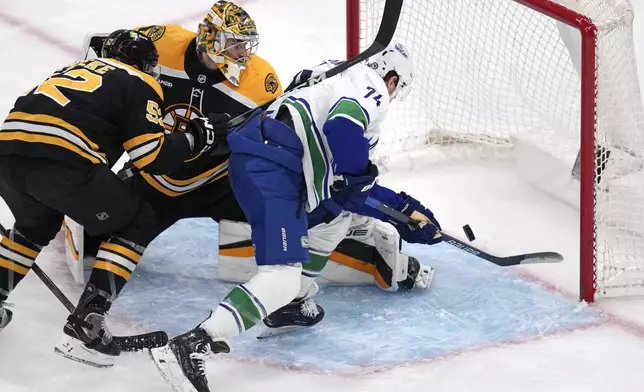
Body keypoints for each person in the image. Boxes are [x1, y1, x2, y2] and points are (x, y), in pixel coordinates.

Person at [150, 42, 442, 392]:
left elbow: (344, 191)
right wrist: (392, 203)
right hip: (272, 168)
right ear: (391, 78)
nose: (390, 98)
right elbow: (343, 130)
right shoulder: (370, 84)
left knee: (337, 217)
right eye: (395, 90)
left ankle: (288, 306)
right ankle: (192, 344)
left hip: (265, 160)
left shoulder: (331, 75)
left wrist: (404, 210)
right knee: (281, 276)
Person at [0, 29, 217, 368]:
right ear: (142, 63)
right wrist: (191, 138)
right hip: (62, 161)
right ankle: (87, 324)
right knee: (137, 220)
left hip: (8, 156)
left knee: (34, 226)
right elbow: (151, 156)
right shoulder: (139, 81)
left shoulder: (69, 69)